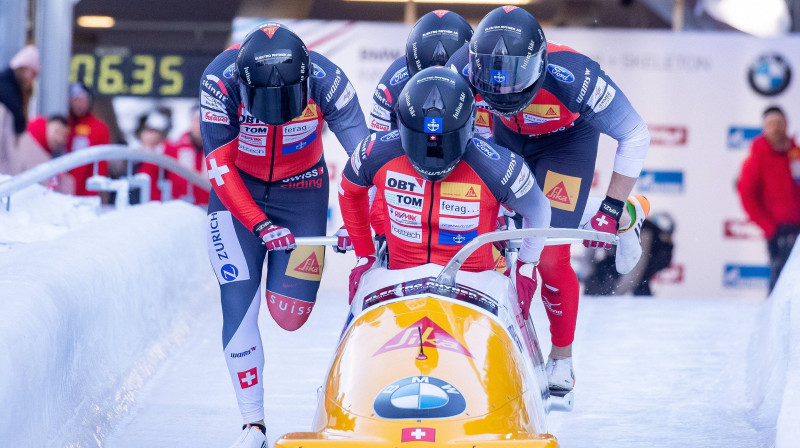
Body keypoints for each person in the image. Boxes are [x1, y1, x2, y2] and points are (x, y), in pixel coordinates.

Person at [446, 6, 651, 392]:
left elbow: (635, 134)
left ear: (538, 65)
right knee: (484, 227)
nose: (504, 90)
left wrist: (606, 208)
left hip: (566, 145)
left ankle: (562, 358)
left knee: (552, 254)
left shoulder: (576, 76)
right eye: (492, 79)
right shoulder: (461, 71)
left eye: (514, 78)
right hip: (505, 139)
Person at [199, 23, 368, 448]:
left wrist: (362, 221)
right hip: (238, 194)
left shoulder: (329, 79)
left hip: (302, 190)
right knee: (238, 299)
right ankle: (252, 423)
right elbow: (219, 166)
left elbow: (369, 157)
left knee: (289, 314)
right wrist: (258, 224)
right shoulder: (219, 81)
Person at [340, 67, 551, 321]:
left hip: (474, 286)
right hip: (400, 280)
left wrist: (527, 263)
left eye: (445, 141)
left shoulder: (498, 167)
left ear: (469, 127)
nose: (433, 153)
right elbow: (350, 192)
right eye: (421, 141)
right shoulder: (375, 152)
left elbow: (539, 210)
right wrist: (365, 255)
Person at [367, 10, 472, 133]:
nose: (437, 91)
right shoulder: (392, 85)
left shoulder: (480, 76)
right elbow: (380, 141)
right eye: (429, 76)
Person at [737, 106, 800, 293]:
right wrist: (769, 226)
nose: (776, 128)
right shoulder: (758, 156)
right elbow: (747, 194)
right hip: (777, 230)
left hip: (798, 228)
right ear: (764, 127)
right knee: (780, 279)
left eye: (779, 123)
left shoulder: (795, 153)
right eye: (771, 124)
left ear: (786, 124)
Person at [0, 45, 40, 175]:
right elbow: (17, 114)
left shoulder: (11, 85)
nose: (31, 79)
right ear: (23, 68)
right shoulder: (6, 85)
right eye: (32, 73)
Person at [66, 82, 110, 196]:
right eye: (75, 100)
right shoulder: (64, 124)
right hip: (63, 188)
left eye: (82, 100)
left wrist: (94, 192)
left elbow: (101, 164)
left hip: (86, 192)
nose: (79, 104)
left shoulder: (99, 128)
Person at [164, 107, 209, 204]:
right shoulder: (173, 147)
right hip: (181, 209)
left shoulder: (220, 149)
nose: (201, 125)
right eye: (197, 120)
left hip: (210, 209)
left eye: (206, 120)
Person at [134, 110, 171, 201]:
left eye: (156, 132)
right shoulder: (132, 155)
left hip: (157, 204)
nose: (152, 136)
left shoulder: (166, 154)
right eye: (148, 131)